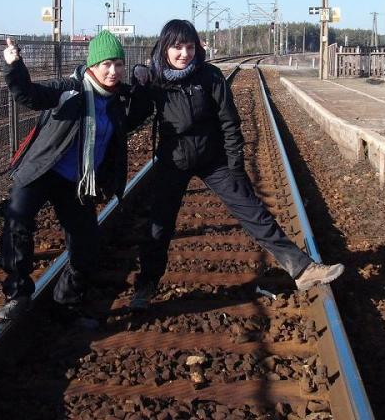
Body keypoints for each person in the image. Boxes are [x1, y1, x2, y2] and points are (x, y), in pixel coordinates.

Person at [129, 19, 344, 311]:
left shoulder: (210, 76)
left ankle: (302, 269)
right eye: (177, 47)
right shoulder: (154, 80)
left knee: (253, 211)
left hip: (213, 160)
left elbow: (229, 122)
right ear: (165, 47)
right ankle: (145, 286)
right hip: (173, 162)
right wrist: (135, 85)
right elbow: (134, 117)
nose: (184, 53)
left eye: (189, 47)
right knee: (159, 225)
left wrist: (235, 165)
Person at [0, 31, 149, 320]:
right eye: (106, 64)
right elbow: (29, 95)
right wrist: (14, 66)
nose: (113, 71)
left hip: (76, 181)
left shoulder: (118, 99)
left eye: (118, 64)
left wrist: (144, 82)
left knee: (86, 243)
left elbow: (138, 116)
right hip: (43, 170)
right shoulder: (71, 88)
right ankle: (18, 294)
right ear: (92, 65)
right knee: (17, 224)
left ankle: (66, 300)